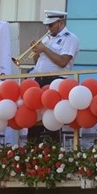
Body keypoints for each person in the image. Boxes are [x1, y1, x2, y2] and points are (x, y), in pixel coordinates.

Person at [27, 10, 79, 141]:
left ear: (60, 23)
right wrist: (37, 51)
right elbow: (38, 63)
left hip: (55, 81)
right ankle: (31, 152)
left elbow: (63, 62)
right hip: (39, 79)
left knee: (53, 119)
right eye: (47, 25)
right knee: (35, 119)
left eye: (50, 25)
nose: (48, 28)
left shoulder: (70, 38)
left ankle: (54, 152)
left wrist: (44, 49)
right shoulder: (47, 39)